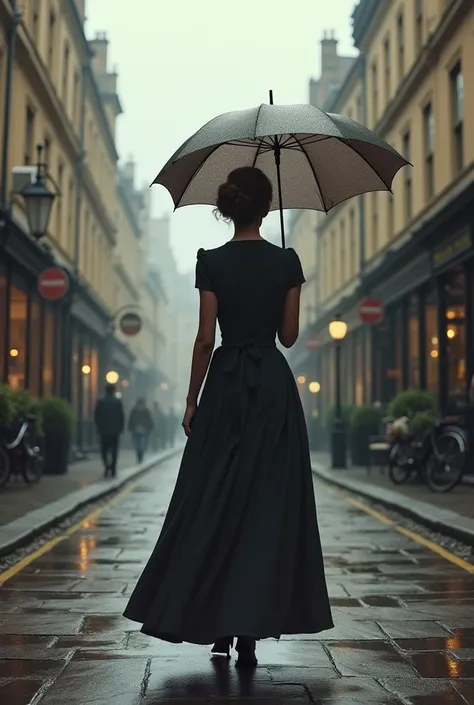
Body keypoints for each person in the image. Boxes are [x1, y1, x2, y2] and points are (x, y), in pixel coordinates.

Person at [123, 166, 333, 667]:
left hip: (226, 386)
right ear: (265, 209)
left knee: (214, 496)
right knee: (265, 506)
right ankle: (249, 633)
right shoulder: (286, 260)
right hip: (272, 391)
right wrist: (286, 276)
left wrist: (192, 400)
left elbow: (203, 339)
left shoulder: (210, 261)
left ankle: (213, 619)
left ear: (226, 208)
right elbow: (288, 337)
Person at [94, 383, 124, 478]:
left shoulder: (101, 401)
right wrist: (121, 427)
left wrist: (98, 426)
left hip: (104, 430)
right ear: (114, 391)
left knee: (104, 450)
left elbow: (96, 416)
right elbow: (121, 416)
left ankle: (107, 466)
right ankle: (113, 468)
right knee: (114, 450)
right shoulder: (117, 402)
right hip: (115, 431)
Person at [128, 398, 154, 463]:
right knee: (138, 444)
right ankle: (139, 454)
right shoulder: (137, 411)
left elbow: (149, 421)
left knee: (141, 444)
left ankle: (140, 454)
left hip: (142, 430)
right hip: (138, 430)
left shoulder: (144, 411)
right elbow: (131, 420)